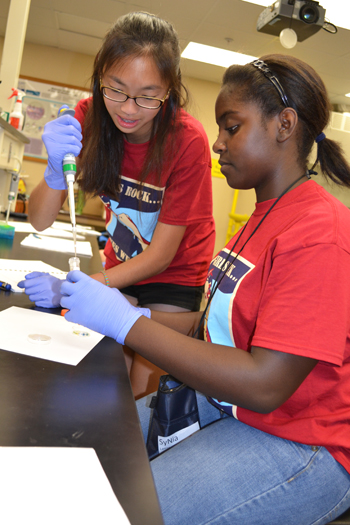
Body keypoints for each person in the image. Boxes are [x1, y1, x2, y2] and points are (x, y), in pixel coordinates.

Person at [54, 53, 350, 524]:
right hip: (230, 406)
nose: (217, 143)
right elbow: (220, 327)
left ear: (284, 124)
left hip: (300, 440)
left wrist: (127, 324)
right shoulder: (262, 218)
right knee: (86, 445)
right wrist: (129, 310)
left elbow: (266, 383)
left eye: (231, 127)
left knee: (120, 512)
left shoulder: (320, 231)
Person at [18, 12, 215, 398]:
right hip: (120, 262)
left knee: (142, 396)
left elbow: (160, 255)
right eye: (116, 89)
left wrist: (78, 289)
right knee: (97, 379)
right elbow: (40, 221)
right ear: (100, 79)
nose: (128, 108)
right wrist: (55, 172)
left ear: (169, 91)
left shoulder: (186, 140)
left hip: (172, 279)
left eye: (147, 96)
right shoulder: (88, 117)